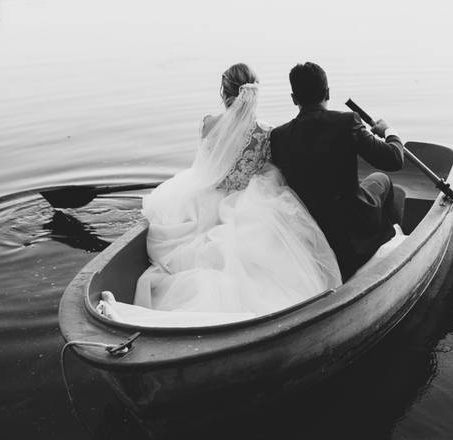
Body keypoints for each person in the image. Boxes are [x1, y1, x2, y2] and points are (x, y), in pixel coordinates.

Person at [120, 63, 341, 323]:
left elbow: (203, 168)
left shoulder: (208, 125)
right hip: (250, 201)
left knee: (195, 246)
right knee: (273, 248)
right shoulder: (266, 132)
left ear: (224, 94)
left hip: (205, 199)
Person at [271, 62, 405, 281]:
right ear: (328, 93)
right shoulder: (347, 121)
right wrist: (390, 132)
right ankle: (391, 243)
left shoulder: (278, 136)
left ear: (294, 99)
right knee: (382, 179)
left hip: (313, 231)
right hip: (352, 228)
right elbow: (394, 159)